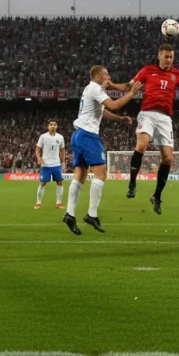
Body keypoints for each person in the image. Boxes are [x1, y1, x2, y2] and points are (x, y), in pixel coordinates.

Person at [108, 43, 179, 214]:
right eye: (166, 56)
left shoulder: (177, 74)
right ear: (159, 56)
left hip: (165, 118)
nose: (169, 60)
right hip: (147, 113)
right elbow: (128, 86)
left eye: (171, 57)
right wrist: (112, 86)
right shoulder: (147, 70)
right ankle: (132, 183)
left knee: (168, 158)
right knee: (142, 144)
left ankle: (156, 196)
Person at [63, 66, 141, 235]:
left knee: (80, 176)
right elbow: (113, 105)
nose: (109, 77)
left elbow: (102, 112)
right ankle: (91, 214)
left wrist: (120, 119)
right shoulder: (96, 88)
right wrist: (131, 93)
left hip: (78, 135)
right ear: (98, 77)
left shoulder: (89, 89)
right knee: (101, 174)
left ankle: (69, 214)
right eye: (106, 75)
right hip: (88, 135)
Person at [35, 120, 65, 210]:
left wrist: (63, 161)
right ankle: (38, 203)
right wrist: (38, 157)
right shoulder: (43, 136)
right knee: (43, 183)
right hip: (46, 164)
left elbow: (62, 150)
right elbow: (37, 149)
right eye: (51, 124)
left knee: (59, 182)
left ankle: (59, 203)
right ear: (48, 127)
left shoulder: (60, 137)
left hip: (56, 164)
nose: (53, 126)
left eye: (55, 125)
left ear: (57, 126)